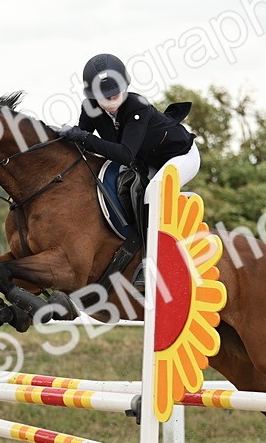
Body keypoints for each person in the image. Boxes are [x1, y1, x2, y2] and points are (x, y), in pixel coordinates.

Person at [59, 53, 199, 291]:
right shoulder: (90, 108)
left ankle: (150, 261)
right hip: (147, 161)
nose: (112, 98)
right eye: (105, 96)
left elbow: (124, 154)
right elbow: (81, 143)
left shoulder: (137, 106)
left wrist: (82, 137)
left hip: (181, 156)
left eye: (116, 92)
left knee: (152, 192)